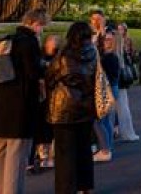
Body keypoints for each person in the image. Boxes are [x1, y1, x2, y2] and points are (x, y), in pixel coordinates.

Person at [0, 7, 47, 194]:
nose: (42, 30)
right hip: (21, 104)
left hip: (3, 102)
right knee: (16, 154)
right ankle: (11, 191)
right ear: (36, 23)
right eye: (42, 26)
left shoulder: (8, 40)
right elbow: (33, 72)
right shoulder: (29, 42)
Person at [45, 21, 98, 194]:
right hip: (86, 108)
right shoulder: (93, 54)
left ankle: (66, 189)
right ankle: (85, 186)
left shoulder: (63, 55)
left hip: (63, 109)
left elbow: (50, 77)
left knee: (64, 154)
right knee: (84, 150)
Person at [33, 34, 60, 170]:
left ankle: (49, 154)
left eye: (54, 41)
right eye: (50, 41)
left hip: (52, 96)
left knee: (49, 126)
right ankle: (41, 152)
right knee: (40, 124)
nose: (52, 44)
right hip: (41, 96)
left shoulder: (58, 57)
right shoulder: (40, 56)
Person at [92, 30, 119, 162]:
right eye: (105, 39)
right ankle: (108, 146)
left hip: (108, 89)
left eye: (109, 40)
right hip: (111, 89)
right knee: (106, 120)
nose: (106, 42)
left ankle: (105, 149)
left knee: (100, 120)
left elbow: (103, 74)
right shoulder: (108, 56)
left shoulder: (110, 57)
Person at [114, 28, 139, 142]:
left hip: (117, 82)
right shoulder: (120, 48)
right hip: (119, 81)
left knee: (121, 106)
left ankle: (125, 131)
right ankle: (122, 130)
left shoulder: (118, 51)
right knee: (122, 106)